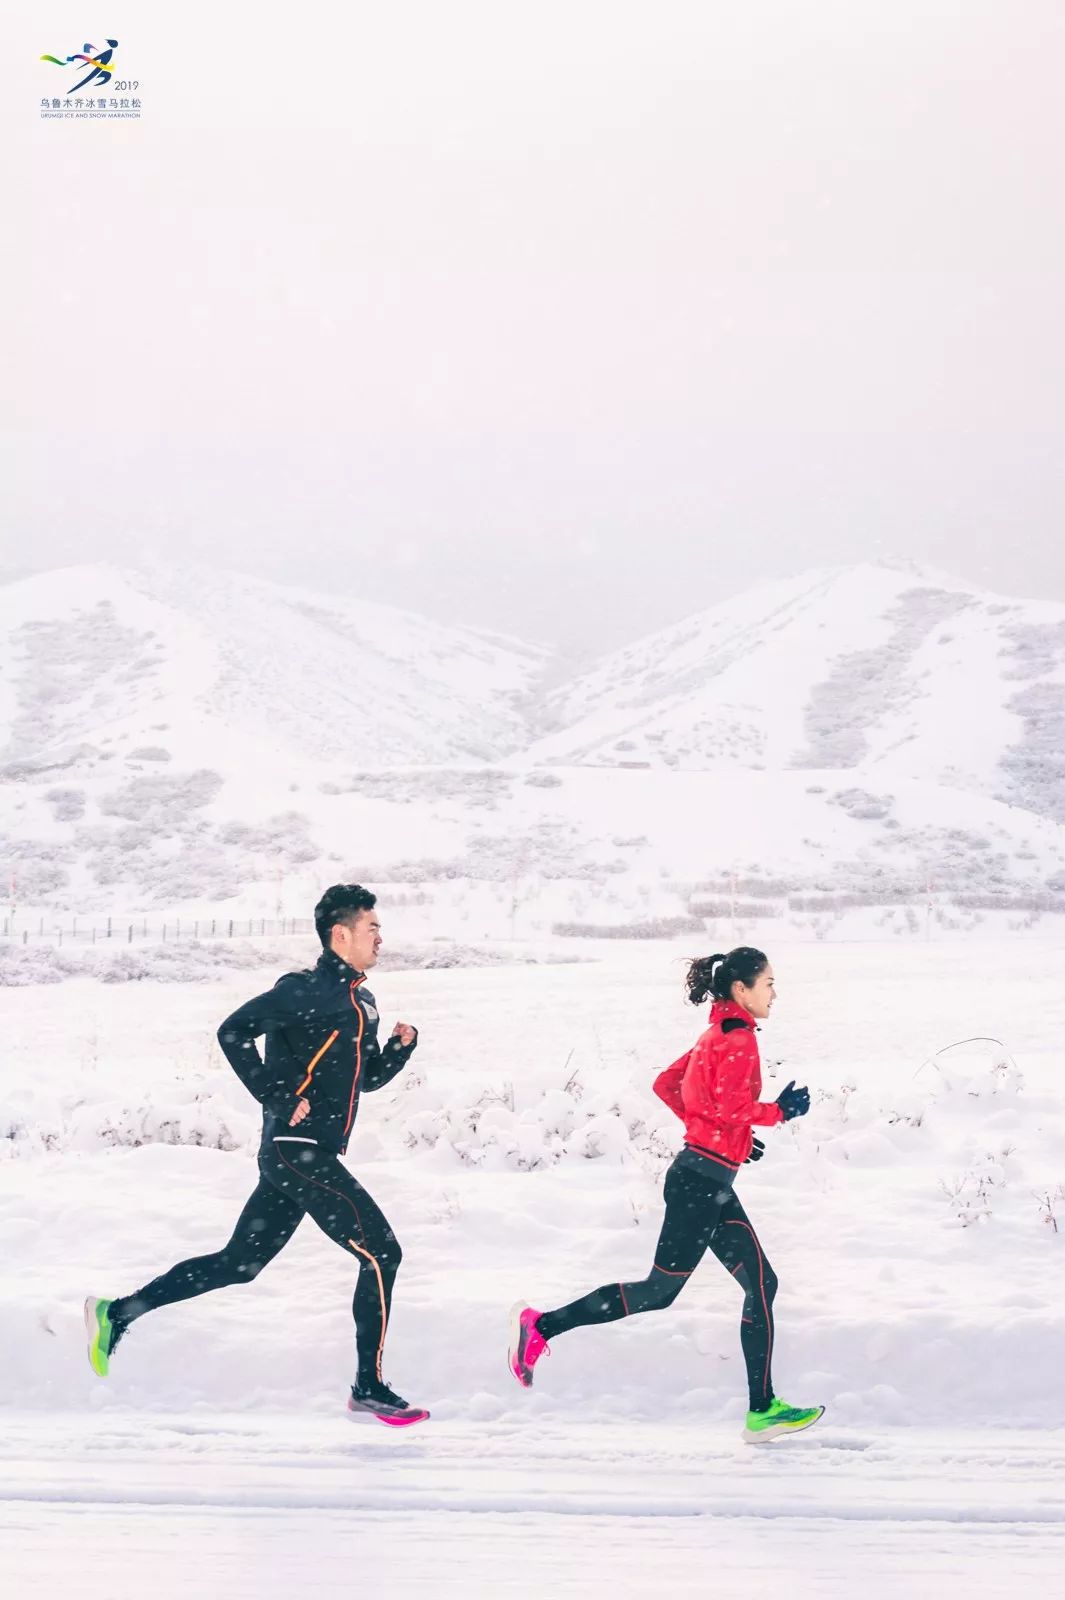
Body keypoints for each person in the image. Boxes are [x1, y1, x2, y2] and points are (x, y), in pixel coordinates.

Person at [85, 884, 428, 1427]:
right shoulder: (303, 991)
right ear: (341, 934)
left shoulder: (362, 1000)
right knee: (382, 1254)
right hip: (296, 1151)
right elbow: (233, 1031)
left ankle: (118, 1312)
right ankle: (369, 1386)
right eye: (372, 928)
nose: (380, 937)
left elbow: (366, 1080)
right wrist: (276, 1095)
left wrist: (399, 1051)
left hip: (303, 1156)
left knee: (239, 1265)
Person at [508, 947, 823, 1441]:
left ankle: (763, 1410)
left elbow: (667, 1085)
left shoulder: (713, 1034)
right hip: (700, 1185)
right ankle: (540, 1326)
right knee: (659, 1291)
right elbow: (735, 1104)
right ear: (741, 990)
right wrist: (779, 1113)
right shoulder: (738, 1039)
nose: (774, 993)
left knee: (762, 1285)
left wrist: (719, 1136)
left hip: (706, 1179)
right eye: (768, 984)